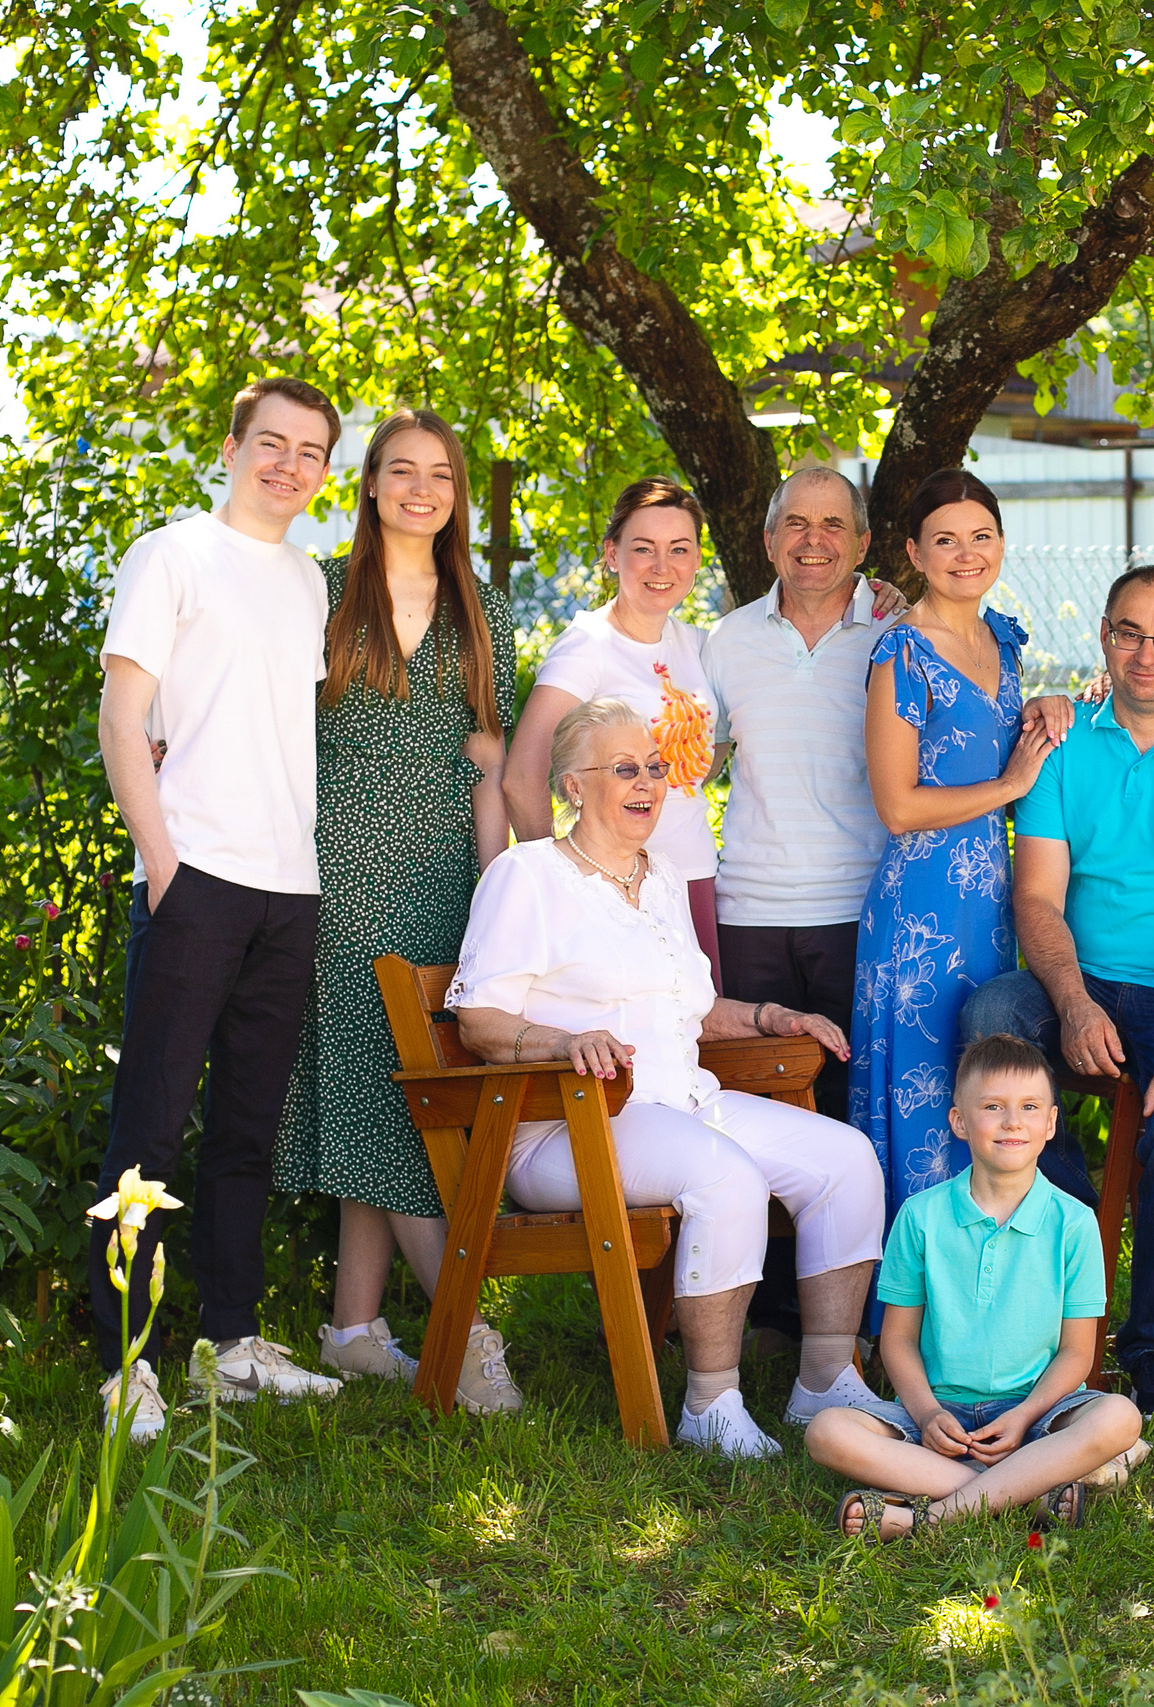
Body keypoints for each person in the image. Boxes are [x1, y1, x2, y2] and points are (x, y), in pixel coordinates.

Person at [447, 697, 890, 1457]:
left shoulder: (661, 877)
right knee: (726, 1178)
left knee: (845, 1159)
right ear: (574, 787)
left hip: (679, 1103)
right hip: (564, 1124)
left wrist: (769, 1018)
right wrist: (563, 1039)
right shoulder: (529, 876)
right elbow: (477, 1019)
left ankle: (824, 1380)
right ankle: (711, 1403)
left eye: (653, 767)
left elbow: (694, 1007)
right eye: (624, 768)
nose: (647, 780)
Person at [958, 565, 1154, 1418]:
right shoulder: (1066, 744)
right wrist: (1069, 1000)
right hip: (1083, 979)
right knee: (994, 1017)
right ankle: (1062, 1288)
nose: (1147, 653)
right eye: (1130, 632)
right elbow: (1036, 897)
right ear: (1105, 635)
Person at [91, 375, 347, 1441]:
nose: (289, 465)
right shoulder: (173, 554)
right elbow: (122, 713)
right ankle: (126, 1367)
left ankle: (230, 1344)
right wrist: (162, 862)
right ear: (234, 445)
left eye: (312, 452)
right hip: (196, 878)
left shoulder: (308, 584)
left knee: (245, 1127)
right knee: (148, 1129)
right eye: (272, 444)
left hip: (291, 889)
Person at [269, 408, 521, 1412]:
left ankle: (354, 1327)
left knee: (402, 1094)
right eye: (400, 471)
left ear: (456, 494)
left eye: (441, 475)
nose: (421, 489)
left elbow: (491, 765)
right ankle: (469, 1331)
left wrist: (496, 901)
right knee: (392, 1094)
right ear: (369, 484)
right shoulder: (320, 590)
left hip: (446, 877)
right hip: (342, 870)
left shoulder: (481, 605)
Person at [806, 1033, 1146, 1537]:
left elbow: (1078, 1354)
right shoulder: (921, 1217)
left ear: (1051, 1123)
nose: (1013, 1121)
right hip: (941, 1412)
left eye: (1030, 1107)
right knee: (827, 1430)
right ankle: (1027, 1490)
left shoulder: (1074, 1223)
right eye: (993, 1106)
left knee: (1119, 1417)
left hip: (1040, 1413)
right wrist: (925, 1414)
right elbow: (897, 1338)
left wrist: (1026, 1414)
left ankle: (930, 1518)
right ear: (960, 1121)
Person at [849, 469, 1073, 1232]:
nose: (965, 553)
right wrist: (1012, 783)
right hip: (919, 913)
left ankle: (989, 1300)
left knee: (984, 1103)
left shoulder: (1001, 640)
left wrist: (1045, 706)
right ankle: (904, 1317)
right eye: (945, 539)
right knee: (924, 1110)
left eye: (981, 537)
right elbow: (899, 804)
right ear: (913, 551)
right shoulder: (901, 653)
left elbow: (995, 745)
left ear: (1002, 545)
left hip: (990, 911)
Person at [703, 467, 908, 1123]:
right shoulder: (725, 640)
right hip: (748, 913)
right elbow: (691, 765)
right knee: (756, 1110)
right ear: (768, 541)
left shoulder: (895, 635)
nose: (812, 539)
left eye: (831, 524)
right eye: (795, 522)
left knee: (854, 1105)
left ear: (862, 542)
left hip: (860, 909)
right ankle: (760, 1233)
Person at [503, 478, 728, 989]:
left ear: (696, 560)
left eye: (679, 550)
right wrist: (570, 883)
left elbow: (708, 754)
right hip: (617, 886)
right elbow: (522, 777)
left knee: (698, 1037)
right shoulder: (588, 645)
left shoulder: (699, 645)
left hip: (692, 875)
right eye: (643, 549)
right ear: (612, 553)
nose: (661, 566)